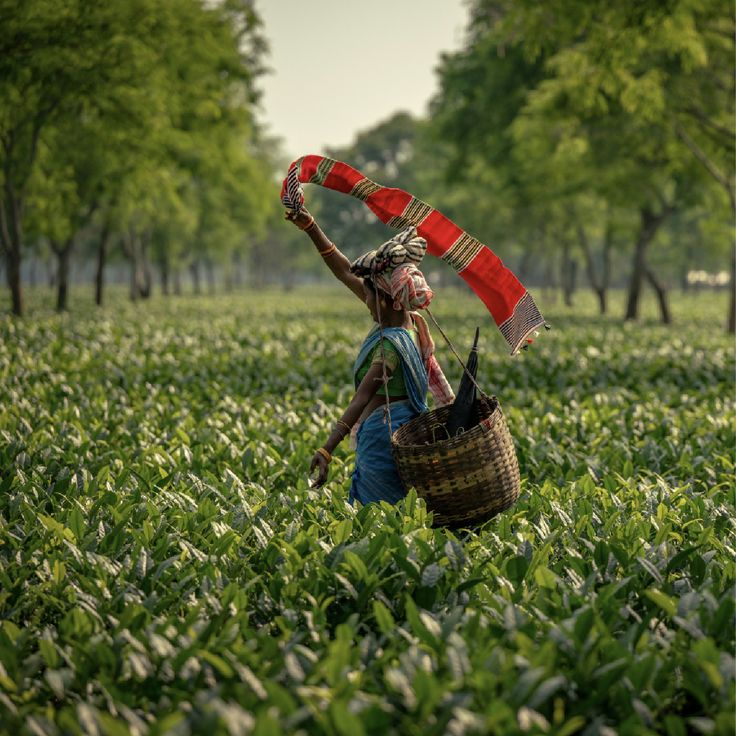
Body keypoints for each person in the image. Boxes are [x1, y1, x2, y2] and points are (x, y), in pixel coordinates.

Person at [285, 206, 454, 505]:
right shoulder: (411, 324)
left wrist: (327, 449)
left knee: (374, 512)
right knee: (398, 512)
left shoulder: (390, 347)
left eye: (370, 297)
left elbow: (361, 399)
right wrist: (310, 226)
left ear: (388, 301)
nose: (366, 302)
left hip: (383, 440)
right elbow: (343, 270)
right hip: (401, 436)